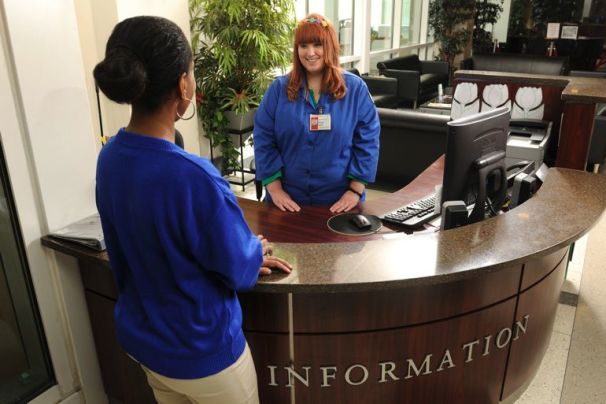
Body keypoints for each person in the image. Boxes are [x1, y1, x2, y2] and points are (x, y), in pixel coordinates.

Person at [93, 16, 291, 404]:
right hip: (205, 357)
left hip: (147, 346)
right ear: (183, 85)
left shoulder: (109, 157)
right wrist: (254, 250)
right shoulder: (194, 175)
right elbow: (237, 268)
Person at [254, 13, 380, 213]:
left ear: (329, 46)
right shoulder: (278, 89)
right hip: (286, 199)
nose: (310, 53)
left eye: (317, 45)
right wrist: (275, 188)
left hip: (339, 200)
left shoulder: (355, 89)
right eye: (303, 46)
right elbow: (263, 138)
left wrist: (355, 191)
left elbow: (368, 141)